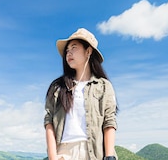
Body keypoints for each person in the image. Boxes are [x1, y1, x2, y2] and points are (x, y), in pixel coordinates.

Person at [44, 28, 118, 160]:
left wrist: (109, 156)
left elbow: (109, 122)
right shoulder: (58, 87)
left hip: (94, 153)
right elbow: (49, 122)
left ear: (88, 51)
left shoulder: (103, 86)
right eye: (67, 50)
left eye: (74, 47)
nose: (69, 53)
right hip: (63, 153)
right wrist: (53, 157)